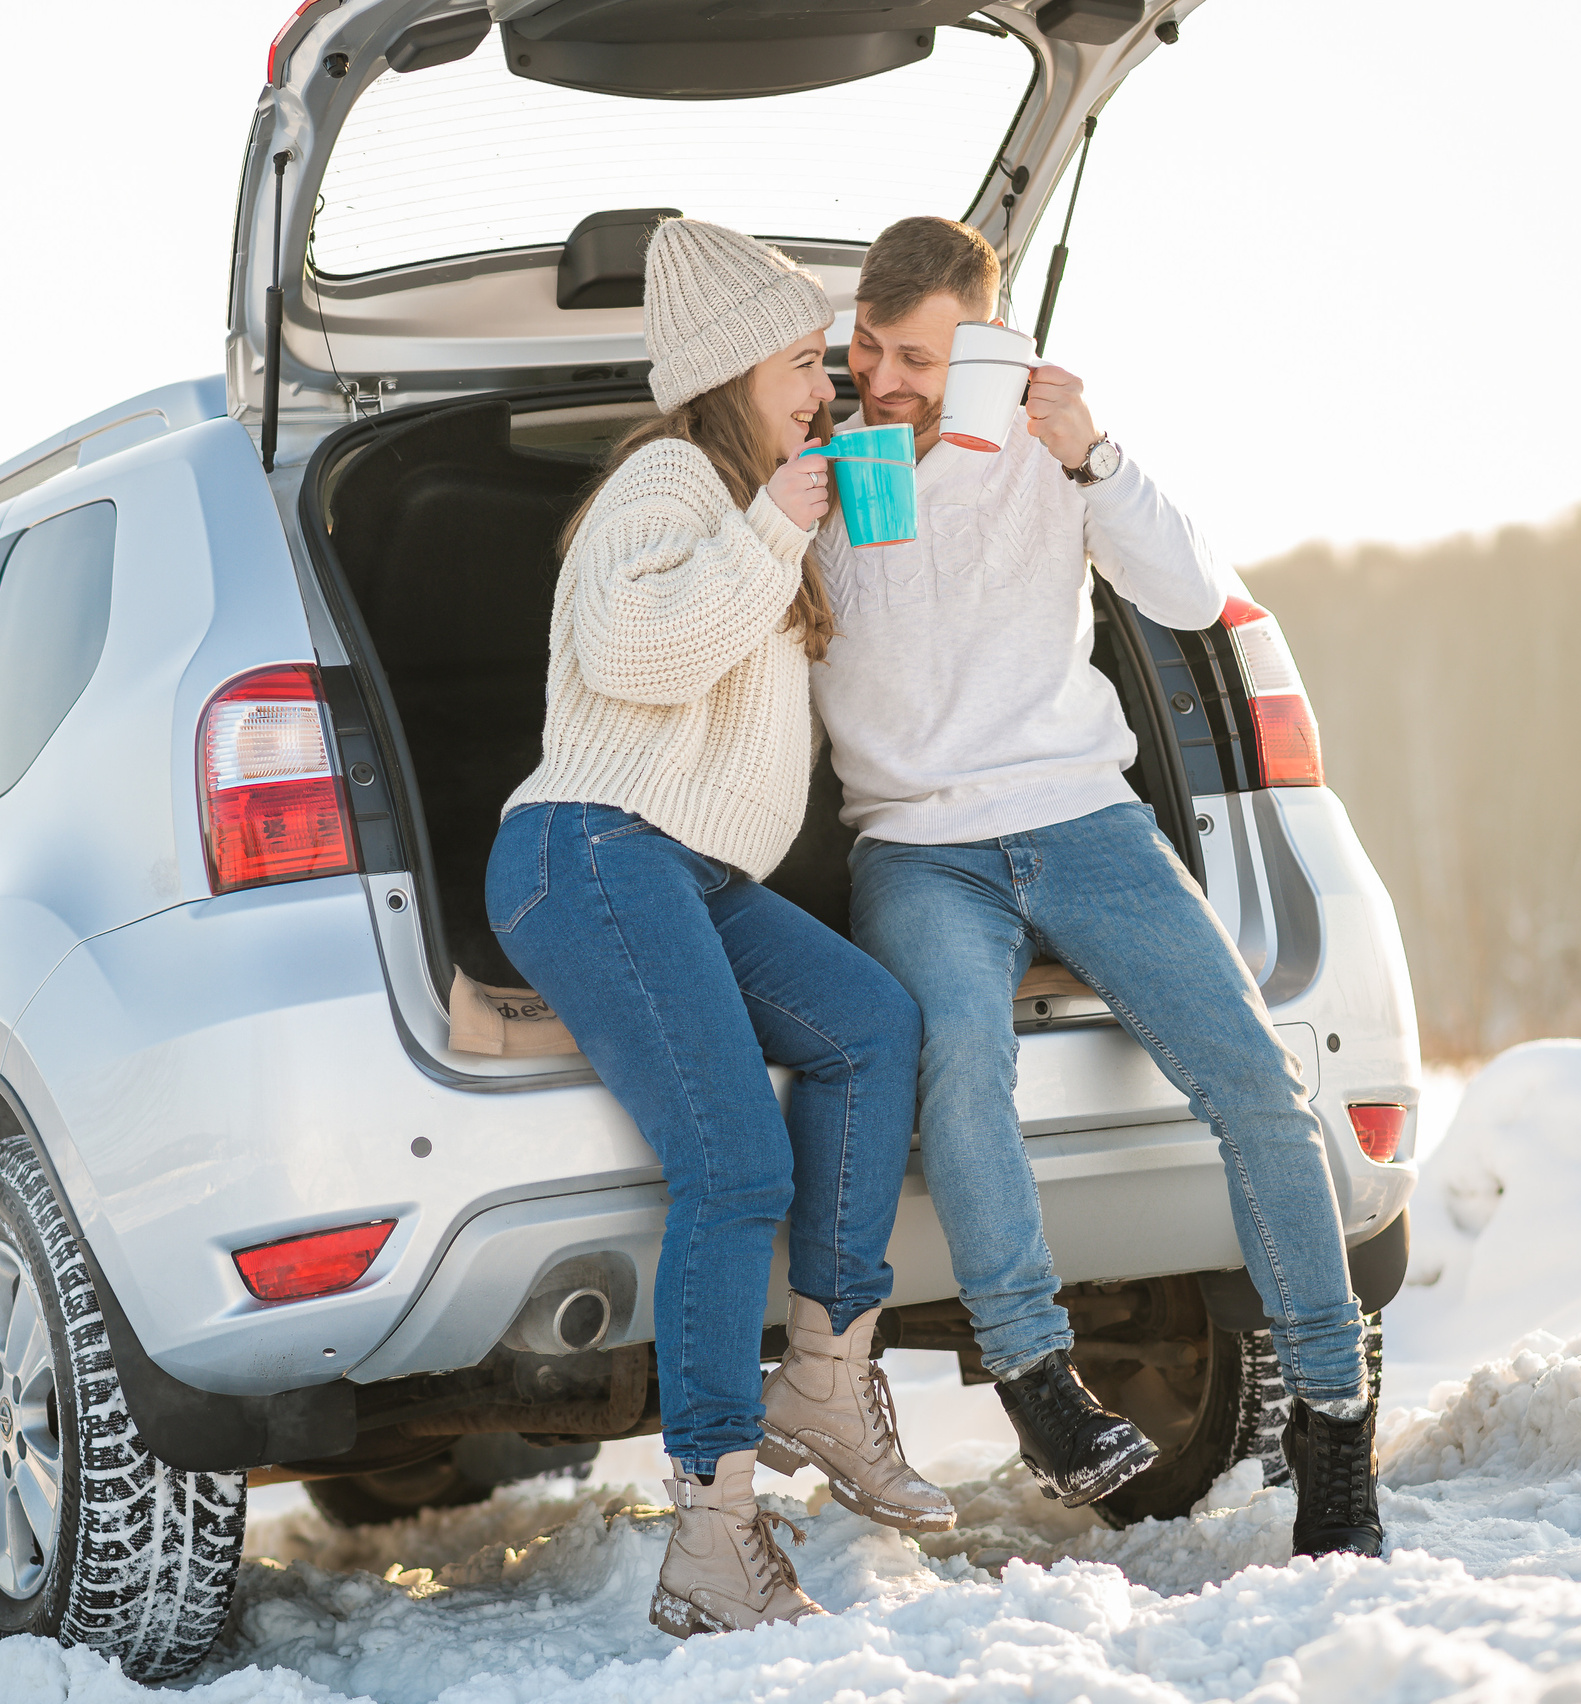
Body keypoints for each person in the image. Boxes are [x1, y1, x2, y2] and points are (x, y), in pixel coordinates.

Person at [807, 216, 1383, 1559]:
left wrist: (1096, 458)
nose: (885, 378)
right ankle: (1038, 1381)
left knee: (1256, 1078)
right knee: (959, 1052)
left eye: (917, 357)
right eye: (869, 350)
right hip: (917, 845)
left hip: (1087, 822)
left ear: (989, 352)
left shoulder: (1049, 459)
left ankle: (1334, 1428)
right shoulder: (825, 464)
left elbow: (1191, 597)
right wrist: (790, 496)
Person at [484, 217, 955, 1638]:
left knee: (873, 1026)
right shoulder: (672, 477)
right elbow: (635, 656)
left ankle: (823, 1366)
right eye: (804, 362)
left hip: (685, 871)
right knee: (733, 1162)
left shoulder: (762, 503)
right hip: (589, 847)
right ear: (728, 371)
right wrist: (779, 523)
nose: (825, 387)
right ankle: (710, 1538)